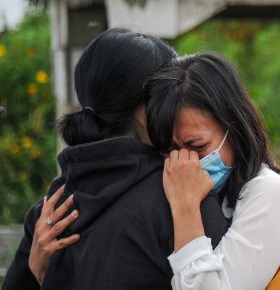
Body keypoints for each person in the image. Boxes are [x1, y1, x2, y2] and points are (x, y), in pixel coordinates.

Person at [2, 28, 230, 290]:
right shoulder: (183, 199)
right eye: (172, 90)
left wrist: (40, 273)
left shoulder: (49, 213)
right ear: (150, 103)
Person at [143, 52, 280, 289]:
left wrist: (185, 208)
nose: (185, 163)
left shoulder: (271, 194)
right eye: (171, 150)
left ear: (233, 129)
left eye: (198, 147)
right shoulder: (222, 197)